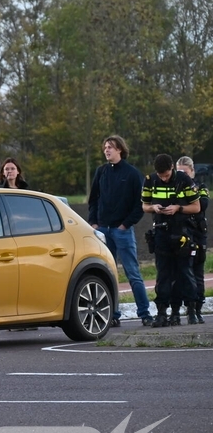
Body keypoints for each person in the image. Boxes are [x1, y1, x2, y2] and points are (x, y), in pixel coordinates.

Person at [87, 135, 152, 326]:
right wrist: (93, 223)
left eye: (111, 147)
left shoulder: (132, 174)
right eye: (105, 147)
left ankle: (145, 313)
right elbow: (93, 200)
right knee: (108, 273)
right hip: (103, 231)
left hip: (122, 231)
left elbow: (139, 204)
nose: (107, 150)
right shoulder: (101, 172)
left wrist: (126, 224)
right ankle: (113, 315)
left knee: (132, 273)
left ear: (120, 150)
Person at [141, 154, 201, 327]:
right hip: (161, 232)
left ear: (172, 169)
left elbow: (196, 207)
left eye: (166, 175)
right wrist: (153, 207)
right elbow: (144, 205)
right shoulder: (150, 180)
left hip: (181, 232)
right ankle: (162, 312)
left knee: (184, 273)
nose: (163, 179)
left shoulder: (184, 180)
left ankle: (190, 310)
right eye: (161, 176)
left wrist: (178, 208)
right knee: (163, 274)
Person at [173, 156, 208, 324]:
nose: (182, 176)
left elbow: (202, 205)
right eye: (179, 172)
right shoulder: (174, 188)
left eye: (185, 173)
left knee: (197, 274)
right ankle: (183, 309)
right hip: (182, 236)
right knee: (181, 274)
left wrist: (182, 206)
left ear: (192, 172)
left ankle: (197, 309)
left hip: (198, 235)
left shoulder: (200, 188)